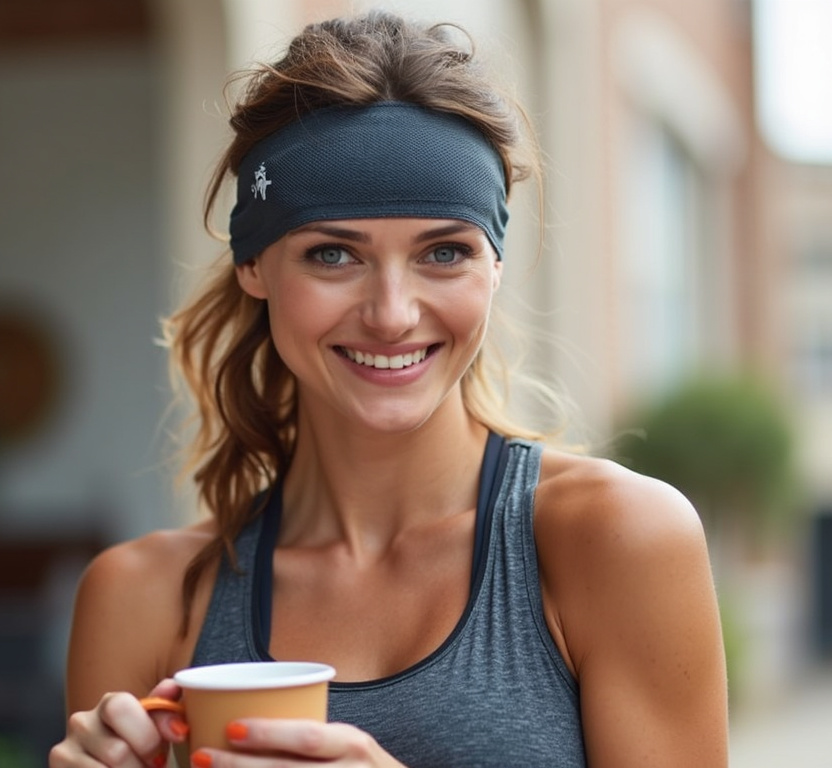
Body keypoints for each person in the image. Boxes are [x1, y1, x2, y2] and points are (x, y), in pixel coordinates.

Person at [49, 10, 728, 768]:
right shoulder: (142, 598)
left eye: (444, 252)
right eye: (333, 253)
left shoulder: (615, 541)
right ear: (254, 267)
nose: (392, 315)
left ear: (495, 267)